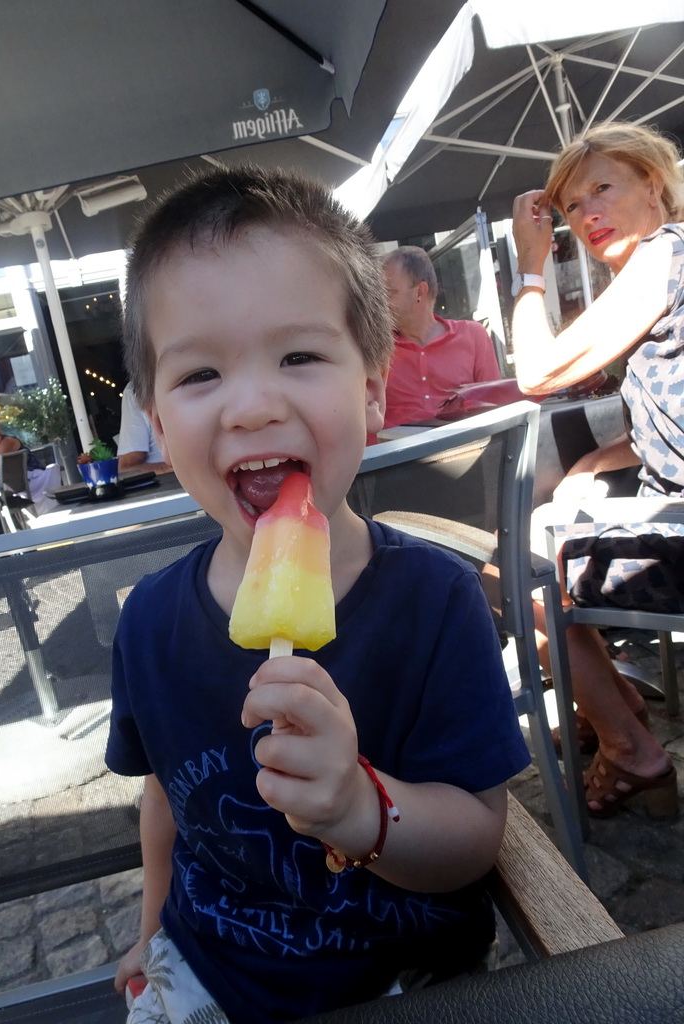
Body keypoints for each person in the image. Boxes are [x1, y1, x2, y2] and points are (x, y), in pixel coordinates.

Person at [106, 166, 530, 1024]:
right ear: (153, 415)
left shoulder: (437, 601)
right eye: (198, 377)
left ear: (372, 391)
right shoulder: (148, 622)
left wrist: (360, 808)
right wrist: (152, 925)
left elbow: (476, 837)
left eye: (299, 357)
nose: (254, 405)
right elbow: (164, 798)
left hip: (406, 978)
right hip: (212, 970)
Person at [511, 121, 684, 819]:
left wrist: (528, 268)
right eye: (573, 206)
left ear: (653, 184)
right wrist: (592, 462)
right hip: (667, 506)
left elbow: (538, 372)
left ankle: (628, 744)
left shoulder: (665, 254)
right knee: (534, 553)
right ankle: (613, 702)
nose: (586, 215)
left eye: (600, 190)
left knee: (520, 574)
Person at [379, 246, 501, 431]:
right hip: (398, 455)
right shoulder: (376, 348)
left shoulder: (473, 336)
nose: (381, 304)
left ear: (420, 292)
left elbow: (495, 409)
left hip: (463, 452)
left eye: (389, 293)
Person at [116, 383, 174, 474]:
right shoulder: (136, 389)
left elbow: (126, 467)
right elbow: (127, 467)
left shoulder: (137, 389)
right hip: (169, 482)